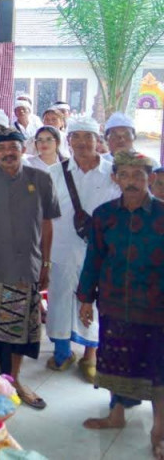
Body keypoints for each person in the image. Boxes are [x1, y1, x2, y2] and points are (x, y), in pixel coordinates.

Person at [77, 150, 164, 455]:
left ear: (150, 179)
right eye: (124, 175)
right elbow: (94, 258)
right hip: (114, 303)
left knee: (158, 368)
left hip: (156, 306)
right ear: (114, 178)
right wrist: (86, 299)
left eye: (138, 175)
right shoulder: (104, 215)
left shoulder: (162, 215)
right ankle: (116, 415)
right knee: (116, 359)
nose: (131, 182)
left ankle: (159, 429)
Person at [0, 130, 60, 410]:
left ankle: (15, 381)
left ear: (23, 149)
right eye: (1, 148)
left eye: (13, 147)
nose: (8, 152)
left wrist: (45, 262)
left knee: (21, 332)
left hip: (27, 267)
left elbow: (47, 224)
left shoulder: (41, 179)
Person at [45, 117, 118, 381]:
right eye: (77, 137)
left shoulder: (113, 173)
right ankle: (62, 352)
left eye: (89, 137)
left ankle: (91, 356)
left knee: (95, 301)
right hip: (62, 248)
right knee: (61, 299)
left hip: (100, 251)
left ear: (98, 141)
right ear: (69, 141)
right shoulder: (54, 173)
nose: (83, 142)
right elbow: (44, 215)